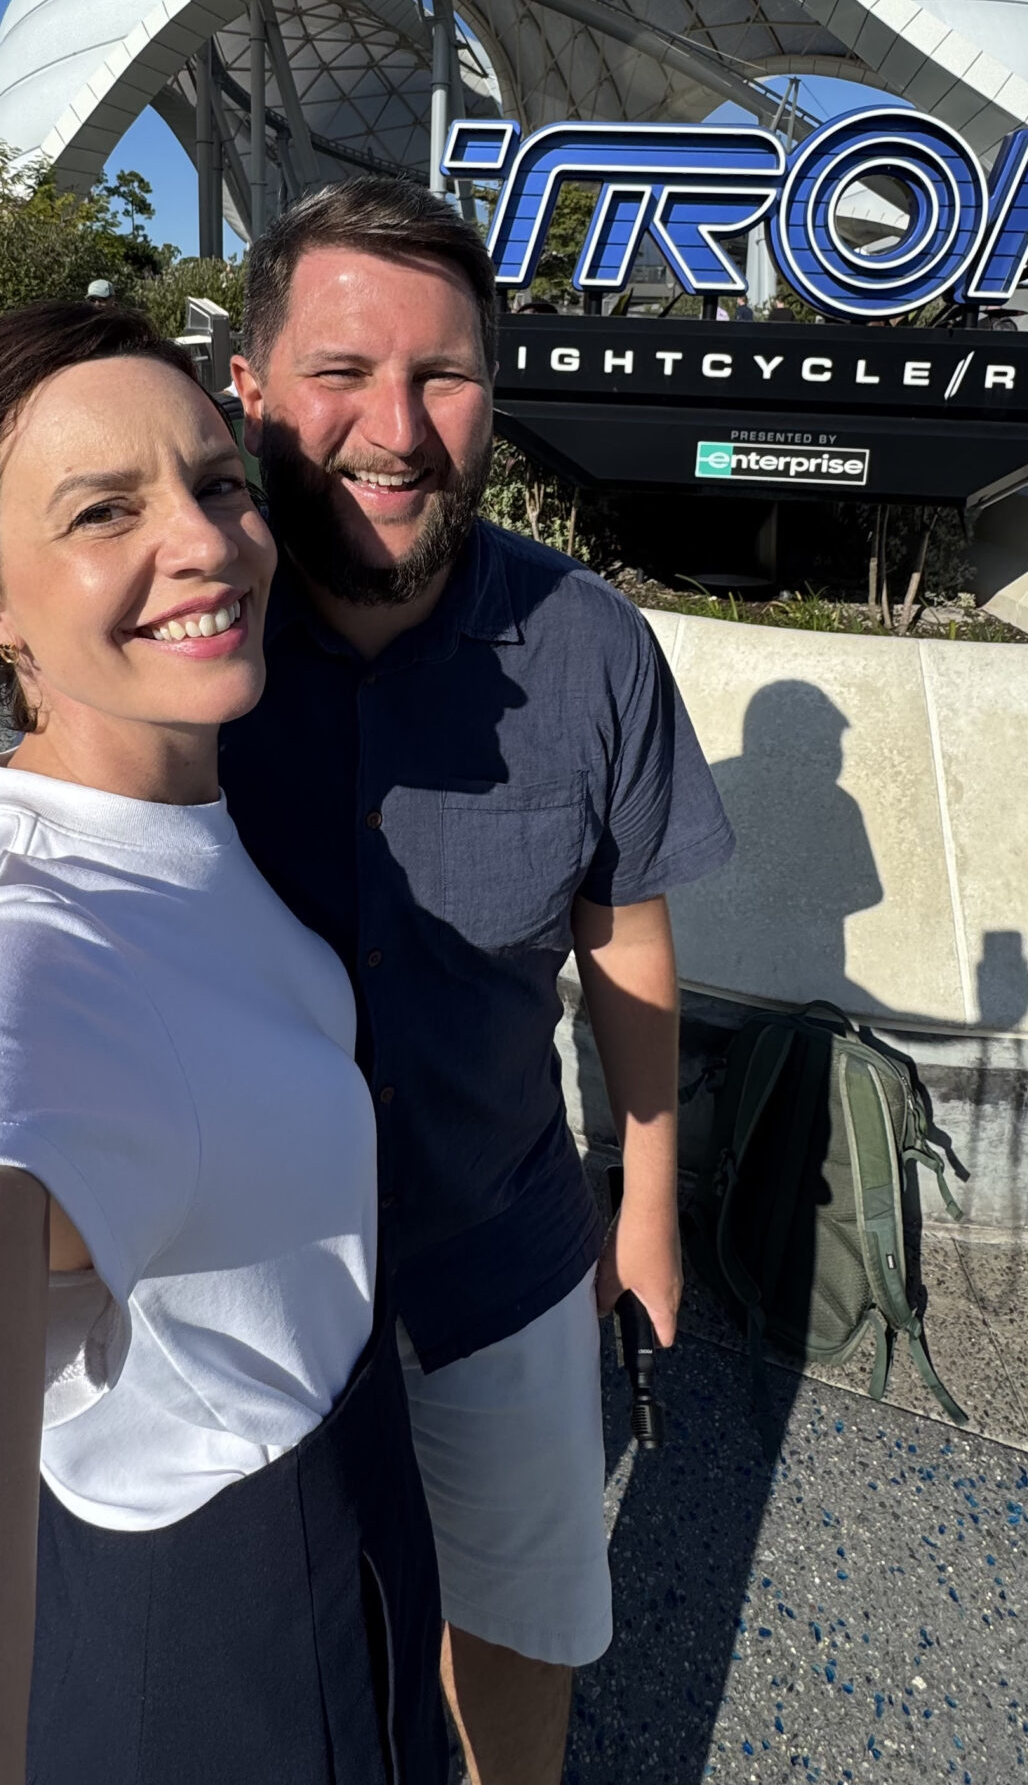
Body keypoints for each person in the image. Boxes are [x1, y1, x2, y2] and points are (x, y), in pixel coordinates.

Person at [0, 300, 445, 1785]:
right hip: (227, 1615)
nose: (206, 542)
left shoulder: (160, 800)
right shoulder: (23, 952)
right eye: (103, 511)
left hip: (330, 1478)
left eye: (219, 481)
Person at [220, 179, 734, 1785]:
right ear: (249, 387)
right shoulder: (179, 637)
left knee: (517, 1630)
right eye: (340, 371)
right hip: (226, 1269)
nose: (397, 429)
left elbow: (623, 931)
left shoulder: (591, 645)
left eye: (441, 376)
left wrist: (646, 1203)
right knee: (262, 1655)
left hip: (494, 1249)